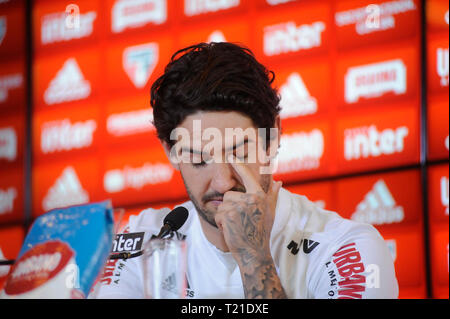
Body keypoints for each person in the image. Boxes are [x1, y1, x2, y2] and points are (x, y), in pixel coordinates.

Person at [91, 42, 398, 299]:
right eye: (199, 158)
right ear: (170, 152)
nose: (224, 181)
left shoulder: (347, 251)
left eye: (239, 151)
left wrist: (254, 257)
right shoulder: (138, 242)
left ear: (272, 138)